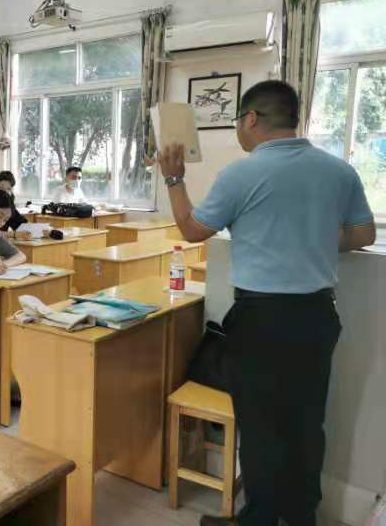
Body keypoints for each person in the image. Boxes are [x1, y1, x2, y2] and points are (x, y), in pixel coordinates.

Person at [154, 80, 375, 526]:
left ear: (251, 119)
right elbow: (364, 234)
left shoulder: (241, 174)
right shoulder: (339, 171)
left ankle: (259, 520)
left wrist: (174, 178)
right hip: (317, 317)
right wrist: (313, 236)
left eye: (239, 121)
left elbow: (192, 230)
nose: (239, 130)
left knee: (260, 428)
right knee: (306, 424)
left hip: (262, 320)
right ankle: (301, 518)